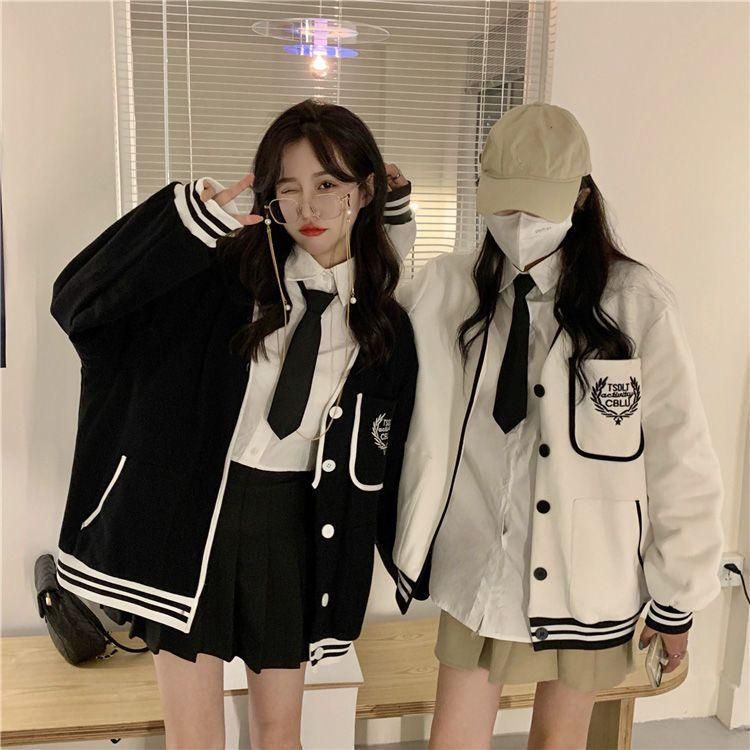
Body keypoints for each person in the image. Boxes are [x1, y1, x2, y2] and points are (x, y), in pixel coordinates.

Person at [50, 98, 417, 749]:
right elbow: (79, 302)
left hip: (293, 530)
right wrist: (180, 228)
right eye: (289, 187)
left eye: (328, 185)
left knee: (281, 735)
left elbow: (393, 449)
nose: (308, 207)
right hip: (194, 522)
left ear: (363, 192)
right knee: (195, 739)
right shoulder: (223, 279)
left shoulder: (380, 322)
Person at [388, 102, 724, 749]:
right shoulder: (451, 288)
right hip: (478, 562)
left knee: (559, 742)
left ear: (581, 195)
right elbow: (368, 326)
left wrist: (677, 595)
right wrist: (394, 224)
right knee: (452, 739)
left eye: (537, 205)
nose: (519, 223)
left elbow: (680, 455)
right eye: (506, 203)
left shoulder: (635, 304)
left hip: (588, 574)